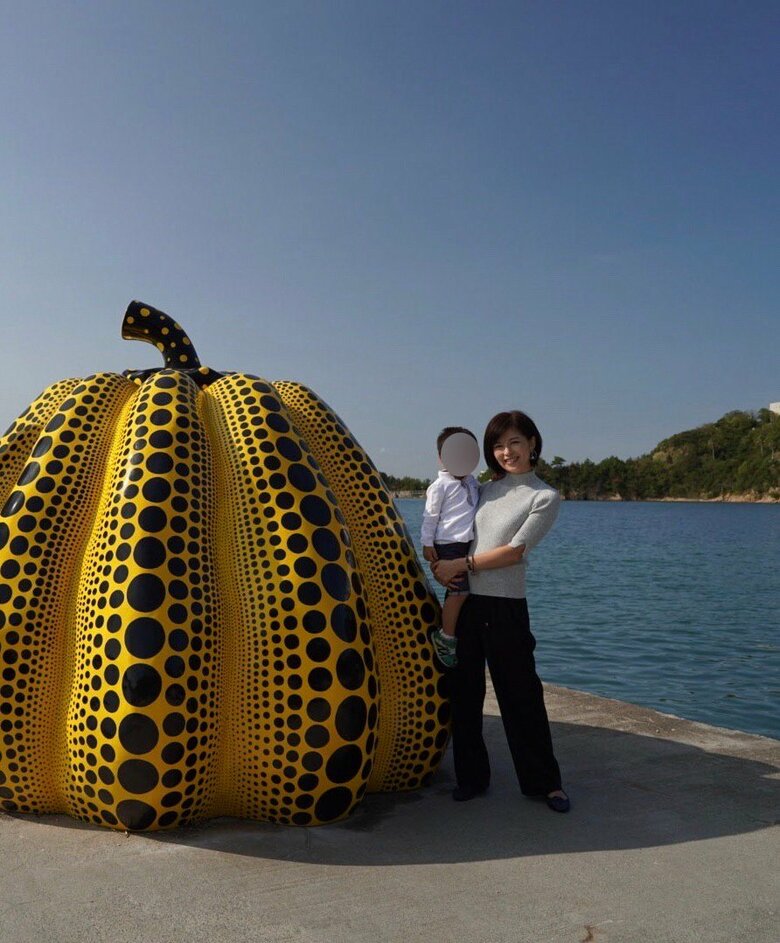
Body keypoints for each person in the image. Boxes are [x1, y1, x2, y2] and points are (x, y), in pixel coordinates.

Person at [432, 410, 570, 813]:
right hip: (465, 602)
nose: (506, 451)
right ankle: (471, 779)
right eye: (498, 444)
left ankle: (546, 783)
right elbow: (452, 528)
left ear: (532, 444)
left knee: (522, 696)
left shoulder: (543, 496)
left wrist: (463, 566)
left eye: (514, 442)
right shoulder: (481, 489)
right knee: (464, 694)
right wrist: (442, 564)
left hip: (506, 606)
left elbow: (515, 551)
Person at [421, 426, 480, 669]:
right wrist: (426, 543)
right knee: (459, 592)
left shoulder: (471, 482)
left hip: (464, 544)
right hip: (448, 544)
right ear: (441, 457)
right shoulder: (440, 485)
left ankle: (449, 633)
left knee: (462, 592)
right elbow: (430, 516)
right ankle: (445, 637)